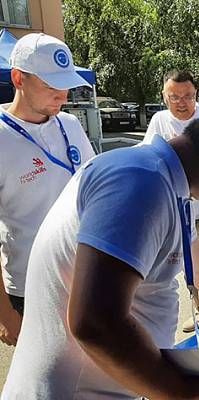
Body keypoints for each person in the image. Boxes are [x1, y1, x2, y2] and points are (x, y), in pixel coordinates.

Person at [2, 103, 199, 399]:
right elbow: (96, 323)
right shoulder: (139, 183)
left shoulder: (167, 182)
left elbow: (196, 259)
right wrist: (177, 391)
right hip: (73, 391)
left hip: (112, 382)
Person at [0, 33, 95, 346]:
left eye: (66, 85)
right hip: (33, 289)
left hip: (87, 277)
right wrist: (5, 315)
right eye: (52, 86)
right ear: (18, 79)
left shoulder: (69, 124)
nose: (63, 96)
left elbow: (95, 190)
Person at [144, 70, 199, 332]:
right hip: (177, 204)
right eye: (174, 97)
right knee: (186, 258)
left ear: (196, 95)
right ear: (164, 97)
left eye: (187, 96)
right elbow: (148, 156)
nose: (181, 102)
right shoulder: (159, 120)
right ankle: (198, 309)